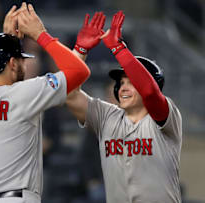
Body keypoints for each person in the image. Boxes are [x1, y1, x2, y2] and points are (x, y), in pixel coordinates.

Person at [0, 3, 90, 203]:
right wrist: (41, 35)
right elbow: (80, 72)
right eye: (21, 59)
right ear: (11, 64)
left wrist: (4, 40)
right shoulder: (23, 94)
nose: (25, 64)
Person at [67, 11, 183, 203]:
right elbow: (69, 94)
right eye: (121, 82)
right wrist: (79, 51)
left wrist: (118, 48)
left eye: (131, 82)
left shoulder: (165, 118)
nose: (123, 87)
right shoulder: (106, 116)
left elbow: (150, 93)